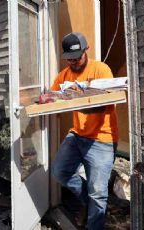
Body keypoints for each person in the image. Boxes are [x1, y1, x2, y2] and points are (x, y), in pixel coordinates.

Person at [51, 32, 118, 230]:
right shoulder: (65, 75)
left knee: (98, 191)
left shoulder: (101, 70)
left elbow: (106, 104)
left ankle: (94, 224)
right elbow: (53, 95)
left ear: (86, 51)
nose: (73, 61)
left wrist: (76, 102)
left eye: (77, 57)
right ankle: (91, 205)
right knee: (60, 172)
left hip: (102, 139)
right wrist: (46, 99)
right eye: (69, 58)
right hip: (77, 134)